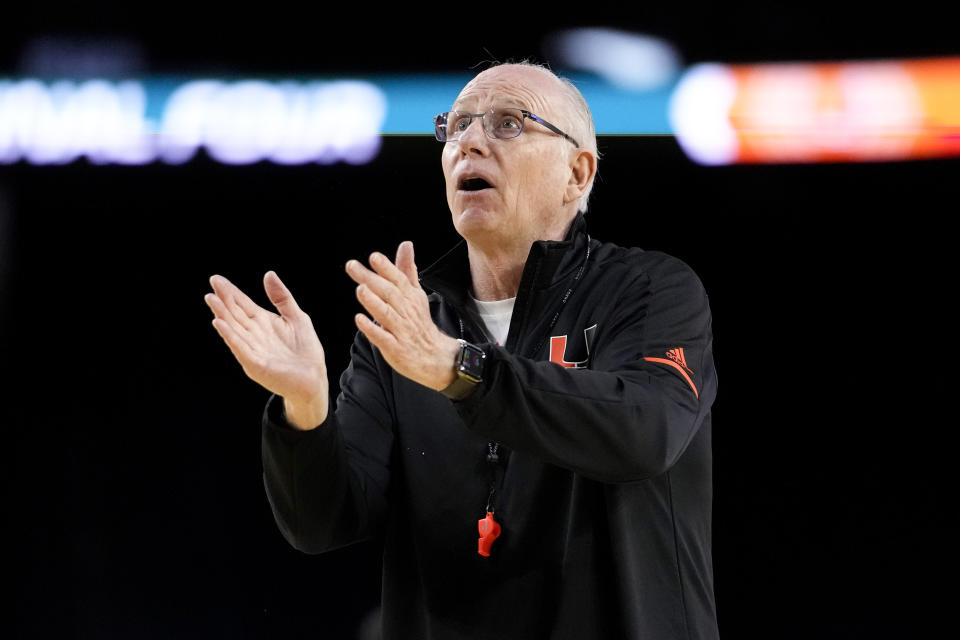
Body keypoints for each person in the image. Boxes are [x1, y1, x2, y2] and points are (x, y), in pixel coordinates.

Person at [205, 62, 719, 640]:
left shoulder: (649, 290)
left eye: (508, 124)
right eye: (456, 127)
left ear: (577, 173)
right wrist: (305, 407)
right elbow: (322, 522)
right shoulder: (408, 326)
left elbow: (646, 432)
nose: (469, 142)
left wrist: (462, 370)